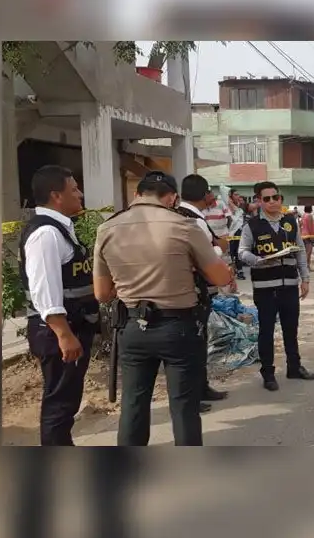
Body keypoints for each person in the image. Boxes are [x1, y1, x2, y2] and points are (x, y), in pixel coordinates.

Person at [93, 171, 232, 446]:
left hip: (132, 326)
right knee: (184, 407)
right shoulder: (185, 226)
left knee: (133, 404)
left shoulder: (107, 228)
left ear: (136, 195)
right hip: (178, 327)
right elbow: (220, 278)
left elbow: (101, 293)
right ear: (171, 197)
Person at [14, 165, 101, 445]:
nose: (80, 194)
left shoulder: (60, 228)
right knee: (59, 404)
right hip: (58, 333)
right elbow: (44, 291)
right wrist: (64, 334)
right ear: (56, 195)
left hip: (71, 327)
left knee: (66, 401)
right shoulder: (46, 234)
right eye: (74, 189)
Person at [238, 181, 314, 391]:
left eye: (276, 197)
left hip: (289, 285)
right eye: (267, 198)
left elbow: (300, 250)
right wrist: (257, 260)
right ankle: (268, 373)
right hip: (265, 288)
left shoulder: (290, 221)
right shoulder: (251, 226)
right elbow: (242, 252)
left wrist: (305, 279)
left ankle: (294, 367)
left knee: (291, 329)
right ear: (259, 201)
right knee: (267, 331)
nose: (273, 202)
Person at [177, 174, 234, 412]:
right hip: (196, 289)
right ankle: (193, 394)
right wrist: (219, 250)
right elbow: (204, 257)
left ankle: (201, 387)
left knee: (197, 341)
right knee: (194, 343)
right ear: (205, 194)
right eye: (210, 192)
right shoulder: (194, 221)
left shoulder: (182, 215)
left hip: (187, 289)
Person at [226, 189, 247, 280]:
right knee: (230, 253)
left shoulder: (240, 206)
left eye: (238, 194)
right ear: (231, 196)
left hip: (239, 232)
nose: (238, 196)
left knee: (238, 252)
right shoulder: (227, 206)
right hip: (230, 233)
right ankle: (229, 272)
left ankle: (240, 271)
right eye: (235, 194)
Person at [300, 204, 314, 270]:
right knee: (308, 252)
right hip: (308, 236)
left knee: (305, 252)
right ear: (310, 209)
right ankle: (307, 266)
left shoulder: (303, 216)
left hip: (303, 235)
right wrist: (313, 236)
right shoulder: (309, 216)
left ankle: (305, 266)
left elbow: (301, 225)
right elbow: (310, 226)